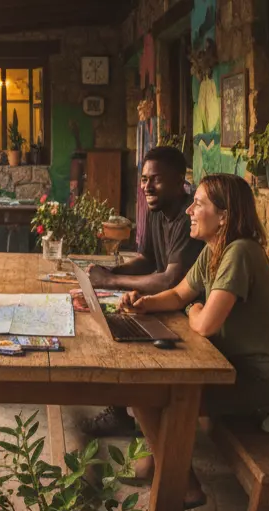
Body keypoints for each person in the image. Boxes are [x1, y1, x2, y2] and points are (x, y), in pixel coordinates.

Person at [119, 173, 269, 507]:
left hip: (258, 380)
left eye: (198, 204)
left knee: (154, 395)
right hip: (232, 366)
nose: (189, 211)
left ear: (224, 216)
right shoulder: (215, 249)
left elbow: (205, 324)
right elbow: (179, 293)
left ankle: (185, 484)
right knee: (145, 390)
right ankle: (156, 462)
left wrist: (193, 311)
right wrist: (144, 302)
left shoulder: (238, 253)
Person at [82, 146, 204, 438]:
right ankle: (123, 412)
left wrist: (110, 283)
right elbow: (147, 260)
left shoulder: (188, 220)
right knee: (106, 324)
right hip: (168, 304)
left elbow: (168, 280)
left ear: (180, 181)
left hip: (188, 311)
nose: (147, 186)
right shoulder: (157, 210)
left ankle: (143, 423)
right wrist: (112, 272)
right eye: (144, 179)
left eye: (156, 179)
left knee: (120, 334)